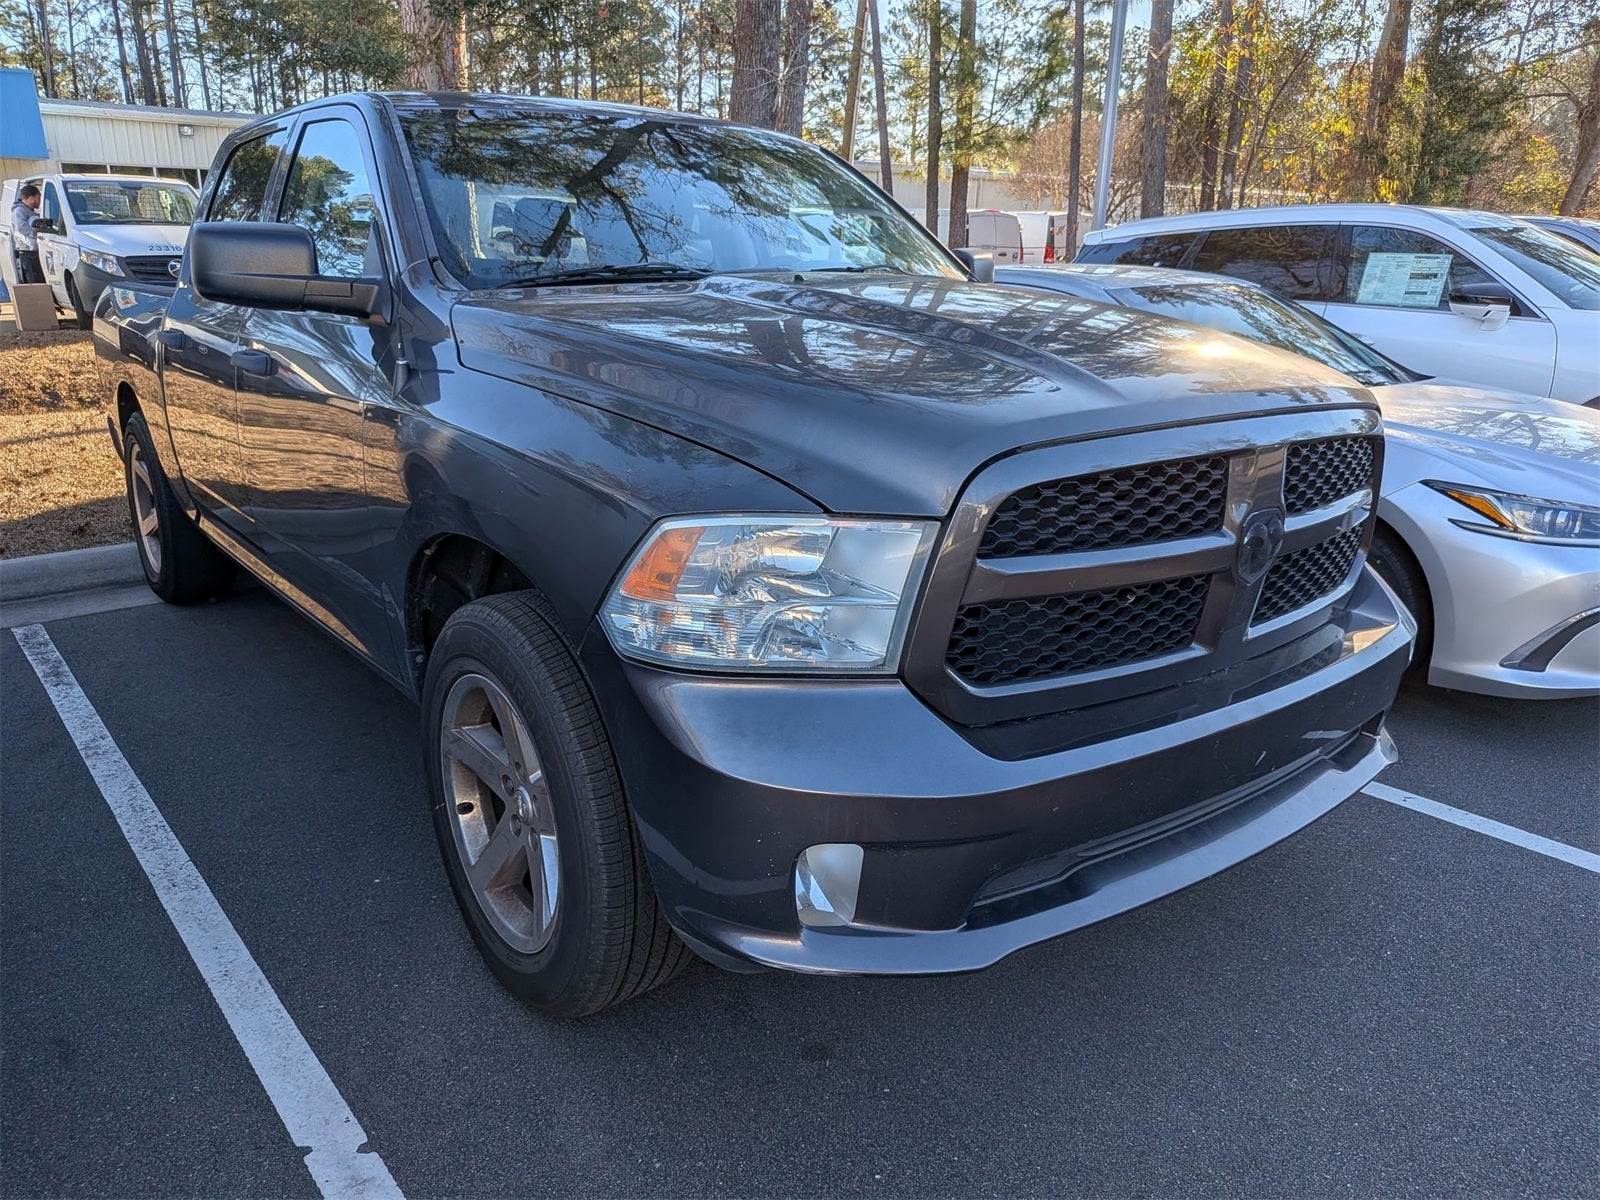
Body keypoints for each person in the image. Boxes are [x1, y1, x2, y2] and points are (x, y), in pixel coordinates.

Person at [10, 184, 44, 284]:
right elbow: (21, 227)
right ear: (31, 198)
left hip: (33, 250)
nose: (39, 201)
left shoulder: (30, 211)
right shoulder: (19, 211)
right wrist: (37, 235)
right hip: (27, 251)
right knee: (34, 280)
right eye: (38, 198)